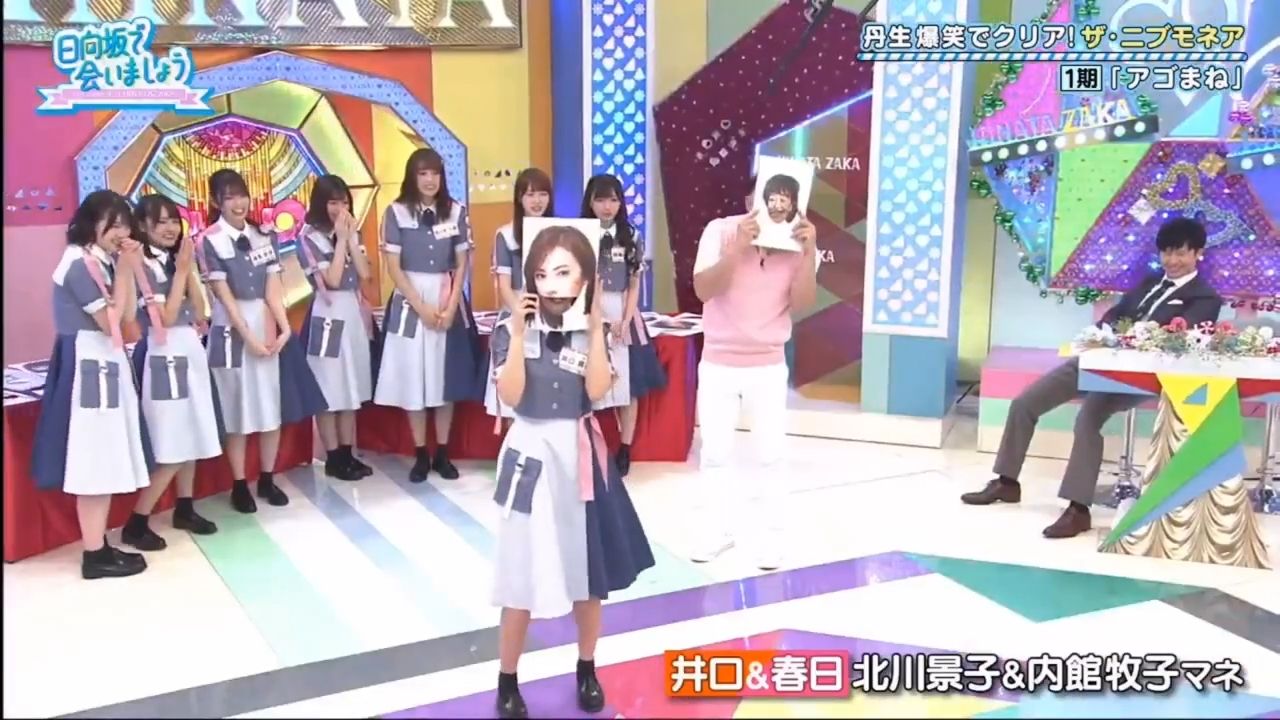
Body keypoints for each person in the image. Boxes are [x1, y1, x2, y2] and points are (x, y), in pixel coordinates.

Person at [961, 217, 1223, 538]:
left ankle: (1077, 510)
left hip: (1137, 375)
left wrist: (1135, 339)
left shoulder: (1206, 298)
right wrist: (1104, 333)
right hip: (1099, 359)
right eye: (1167, 252)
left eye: (1180, 253)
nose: (1172, 260)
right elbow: (1115, 314)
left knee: (1086, 421)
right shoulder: (1149, 282)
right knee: (1024, 403)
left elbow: (1177, 341)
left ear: (1198, 253)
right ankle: (1006, 481)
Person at [489, 223, 655, 719]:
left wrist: (597, 325)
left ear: (585, 277)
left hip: (580, 454)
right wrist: (519, 333)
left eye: (563, 272)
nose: (552, 284)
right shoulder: (509, 329)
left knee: (589, 573)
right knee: (521, 570)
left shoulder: (592, 328)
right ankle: (507, 678)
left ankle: (587, 667)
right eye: (542, 274)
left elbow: (599, 390)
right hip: (530, 452)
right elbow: (511, 395)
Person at [688, 175, 819, 571]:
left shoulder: (800, 239)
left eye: (784, 200)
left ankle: (773, 539)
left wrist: (808, 253)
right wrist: (737, 249)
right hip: (719, 360)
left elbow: (803, 303)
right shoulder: (720, 231)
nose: (775, 207)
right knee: (715, 453)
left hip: (768, 364)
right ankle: (715, 532)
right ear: (750, 199)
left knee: (771, 455)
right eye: (767, 198)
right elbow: (703, 290)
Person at [30, 189, 153, 579]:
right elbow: (110, 322)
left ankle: (98, 546)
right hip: (90, 366)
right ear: (90, 223)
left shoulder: (101, 260)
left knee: (104, 453)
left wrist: (128, 269)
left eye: (125, 224)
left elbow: (127, 316)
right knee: (93, 457)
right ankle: (94, 554)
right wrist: (127, 268)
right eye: (113, 224)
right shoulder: (79, 263)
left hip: (103, 362)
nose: (122, 232)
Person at [200, 169, 328, 513]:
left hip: (265, 323)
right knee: (236, 408)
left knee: (270, 405)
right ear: (216, 202)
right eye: (229, 197)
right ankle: (239, 483)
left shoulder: (264, 236)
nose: (238, 203)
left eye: (241, 195)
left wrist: (284, 328)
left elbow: (273, 288)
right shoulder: (208, 240)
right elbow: (224, 297)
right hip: (231, 332)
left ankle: (268, 478)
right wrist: (249, 338)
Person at [373, 148, 483, 482]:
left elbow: (462, 263)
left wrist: (451, 305)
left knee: (443, 378)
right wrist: (420, 306)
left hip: (446, 294)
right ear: (412, 177)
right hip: (410, 300)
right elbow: (393, 267)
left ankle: (443, 453)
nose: (430, 180)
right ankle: (421, 453)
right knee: (415, 379)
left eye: (435, 173)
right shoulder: (396, 213)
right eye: (423, 173)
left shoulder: (456, 212)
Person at [121, 194, 224, 550]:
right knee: (171, 441)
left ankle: (185, 506)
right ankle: (137, 522)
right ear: (143, 226)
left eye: (173, 221)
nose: (169, 228)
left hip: (189, 348)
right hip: (164, 355)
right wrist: (181, 271)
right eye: (160, 222)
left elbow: (200, 310)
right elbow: (163, 318)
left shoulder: (174, 258)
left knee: (191, 431)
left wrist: (188, 267)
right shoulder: (141, 264)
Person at [581, 174, 666, 476]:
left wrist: (626, 319)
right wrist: (594, 315)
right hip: (588, 311)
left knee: (627, 385)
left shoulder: (631, 235)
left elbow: (634, 282)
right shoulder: (578, 234)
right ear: (590, 202)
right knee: (588, 380)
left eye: (613, 200)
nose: (607, 206)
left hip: (622, 311)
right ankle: (587, 448)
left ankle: (625, 448)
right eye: (601, 199)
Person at [297, 175, 375, 482]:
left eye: (344, 202)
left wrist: (351, 238)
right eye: (333, 202)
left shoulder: (351, 229)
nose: (339, 209)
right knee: (329, 387)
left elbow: (366, 273)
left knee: (351, 383)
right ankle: (332, 457)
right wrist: (342, 240)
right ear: (320, 203)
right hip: (327, 315)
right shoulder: (307, 237)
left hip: (352, 311)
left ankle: (347, 452)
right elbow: (331, 279)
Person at [485, 167, 553, 431]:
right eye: (530, 194)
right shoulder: (506, 235)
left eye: (542, 194)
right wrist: (522, 316)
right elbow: (504, 285)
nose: (537, 201)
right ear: (519, 198)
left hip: (554, 320)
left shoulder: (561, 232)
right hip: (517, 320)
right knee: (515, 392)